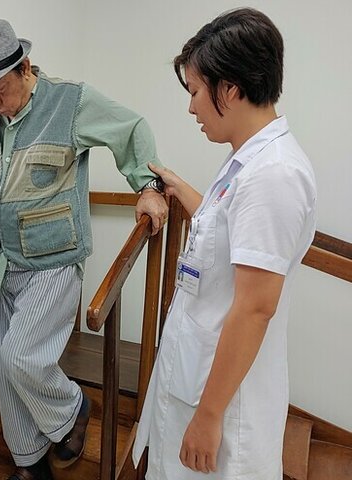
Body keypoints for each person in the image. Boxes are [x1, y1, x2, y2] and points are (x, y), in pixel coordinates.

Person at [0, 18, 168, 480]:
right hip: (1, 260)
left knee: (22, 358)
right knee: (8, 370)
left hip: (52, 261)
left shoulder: (70, 102)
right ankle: (30, 465)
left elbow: (130, 129)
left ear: (25, 67)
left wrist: (148, 187)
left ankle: (73, 409)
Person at [132, 8, 317, 479]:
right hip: (196, 376)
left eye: (195, 91)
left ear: (230, 89)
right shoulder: (248, 162)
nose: (191, 107)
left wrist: (209, 416)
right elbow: (228, 229)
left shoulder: (273, 175)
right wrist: (180, 189)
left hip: (224, 407)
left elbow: (255, 307)